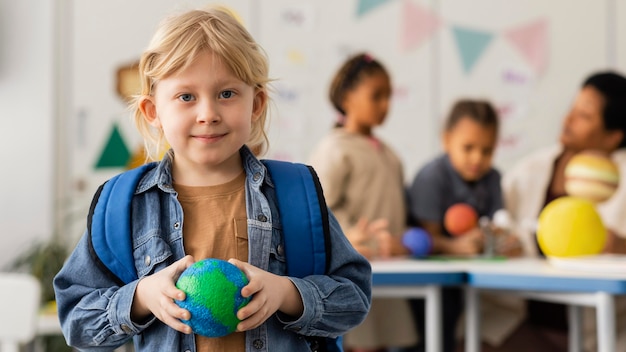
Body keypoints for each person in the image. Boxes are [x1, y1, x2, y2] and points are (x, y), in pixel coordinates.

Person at [53, 7, 372, 352]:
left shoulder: (293, 195)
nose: (208, 114)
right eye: (186, 97)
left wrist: (288, 294)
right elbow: (77, 322)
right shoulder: (126, 206)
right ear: (153, 111)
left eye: (227, 94)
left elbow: (354, 299)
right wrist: (141, 297)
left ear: (256, 104)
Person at [494, 71, 626, 352]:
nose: (567, 121)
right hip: (523, 327)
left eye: (584, 116)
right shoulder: (532, 169)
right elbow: (498, 221)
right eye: (572, 109)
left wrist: (621, 245)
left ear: (613, 137)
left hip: (600, 333)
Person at [308, 53, 417, 352]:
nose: (385, 105)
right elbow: (317, 210)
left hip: (388, 268)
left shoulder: (389, 153)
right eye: (376, 96)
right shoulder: (334, 148)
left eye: (389, 97)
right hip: (353, 270)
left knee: (382, 340)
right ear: (347, 98)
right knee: (359, 340)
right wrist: (347, 236)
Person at [406, 99, 522, 352]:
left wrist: (501, 240)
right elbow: (425, 238)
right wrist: (456, 247)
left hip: (464, 280)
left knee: (453, 331)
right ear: (446, 140)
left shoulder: (493, 179)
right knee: (426, 336)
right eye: (468, 148)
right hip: (426, 280)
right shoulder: (431, 177)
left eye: (487, 150)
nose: (477, 158)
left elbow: (495, 224)